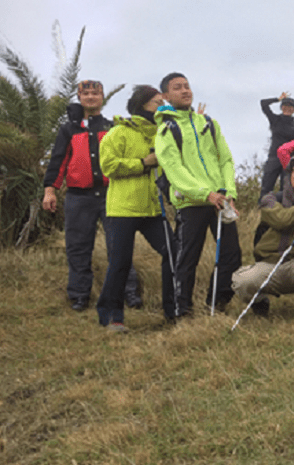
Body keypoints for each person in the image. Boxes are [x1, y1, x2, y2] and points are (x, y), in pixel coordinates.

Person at [42, 79, 141, 311]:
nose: (90, 97)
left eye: (95, 93)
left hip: (112, 194)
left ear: (102, 97)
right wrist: (50, 190)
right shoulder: (69, 129)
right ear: (79, 97)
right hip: (79, 197)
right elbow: (58, 161)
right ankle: (79, 295)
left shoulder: (112, 127)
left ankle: (130, 293)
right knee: (77, 246)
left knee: (119, 245)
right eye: (85, 93)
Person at [154, 72, 241, 318]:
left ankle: (216, 305)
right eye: (177, 87)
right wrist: (205, 194)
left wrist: (228, 192)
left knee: (232, 256)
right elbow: (174, 171)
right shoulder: (166, 130)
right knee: (186, 259)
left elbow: (225, 159)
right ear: (166, 96)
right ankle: (183, 311)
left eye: (187, 86)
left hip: (220, 202)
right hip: (191, 203)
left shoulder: (209, 123)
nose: (185, 91)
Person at [96, 86, 175, 331]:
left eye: (164, 103)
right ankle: (112, 317)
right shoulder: (118, 132)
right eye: (156, 102)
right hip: (123, 209)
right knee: (120, 263)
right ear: (142, 105)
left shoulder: (162, 134)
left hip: (153, 210)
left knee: (173, 252)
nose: (162, 107)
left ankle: (173, 311)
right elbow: (108, 166)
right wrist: (143, 163)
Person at [232, 156, 294, 317]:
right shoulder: (270, 199)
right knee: (242, 281)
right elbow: (283, 220)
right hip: (268, 264)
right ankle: (260, 303)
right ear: (289, 175)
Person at [259, 92, 294, 199]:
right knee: (267, 187)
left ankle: (283, 212)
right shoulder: (275, 119)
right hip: (274, 157)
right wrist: (277, 99)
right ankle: (261, 210)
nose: (287, 108)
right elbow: (263, 104)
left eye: (290, 106)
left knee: (286, 189)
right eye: (285, 106)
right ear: (282, 107)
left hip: (288, 160)